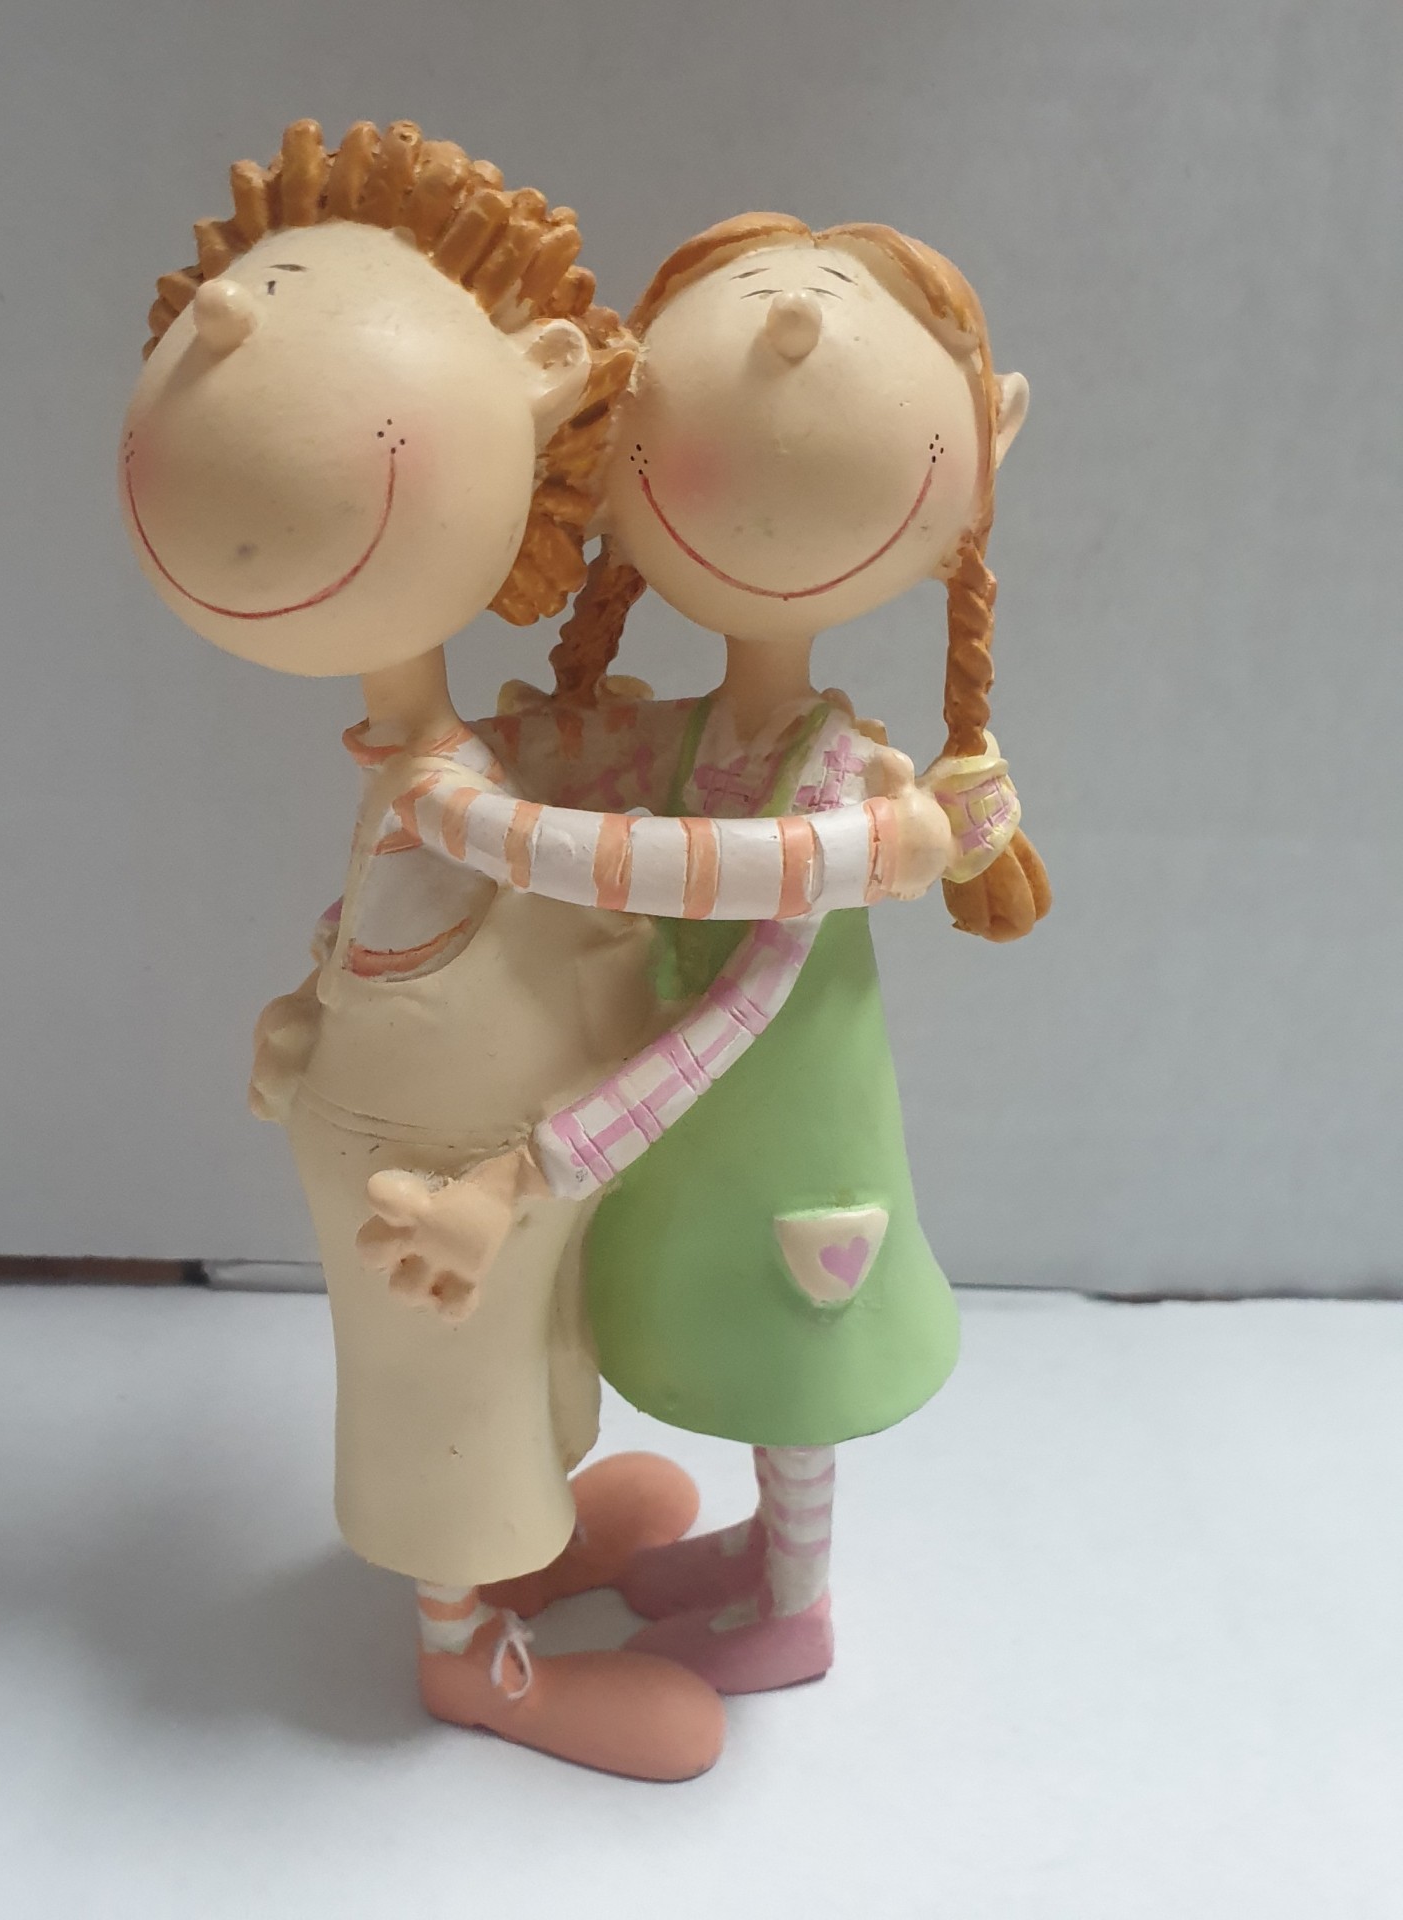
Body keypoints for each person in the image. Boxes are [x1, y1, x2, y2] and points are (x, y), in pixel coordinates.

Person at [123, 131, 955, 1776]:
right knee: (453, 1390)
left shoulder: (520, 768)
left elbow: (640, 915)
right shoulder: (486, 778)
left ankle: (622, 1566)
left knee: (559, 1364)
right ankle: (469, 1652)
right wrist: (326, 1002)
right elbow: (524, 856)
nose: (225, 329)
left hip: (536, 1146)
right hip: (448, 1157)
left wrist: (481, 1118)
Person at [368, 213, 1046, 1697]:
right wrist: (421, 702)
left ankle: (795, 1603)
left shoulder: (836, 789)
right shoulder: (693, 744)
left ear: (977, 453)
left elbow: (741, 1008)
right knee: (735, 1332)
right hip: (698, 1133)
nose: (790, 338)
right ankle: (760, 1556)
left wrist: (538, 1165)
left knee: (793, 1350)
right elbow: (542, 766)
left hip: (780, 1123)